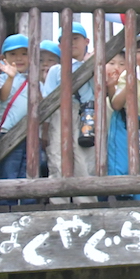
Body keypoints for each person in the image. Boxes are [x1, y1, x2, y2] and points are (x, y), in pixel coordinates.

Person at [42, 22, 96, 203]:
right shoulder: (55, 70)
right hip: (60, 113)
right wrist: (45, 128)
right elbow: (47, 100)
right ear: (60, 46)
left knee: (84, 159)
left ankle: (86, 203)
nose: (71, 43)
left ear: (86, 41)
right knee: (57, 156)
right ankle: (59, 202)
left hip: (87, 113)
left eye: (75, 38)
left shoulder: (93, 64)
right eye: (66, 40)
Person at [109, 32, 140, 192]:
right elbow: (116, 104)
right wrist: (130, 82)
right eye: (139, 51)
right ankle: (123, 195)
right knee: (123, 162)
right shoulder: (128, 74)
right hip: (126, 122)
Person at [0, 34, 31, 188]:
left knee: (27, 172)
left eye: (24, 54)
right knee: (9, 172)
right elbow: (3, 96)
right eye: (13, 54)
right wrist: (10, 78)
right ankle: (6, 200)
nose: (19, 58)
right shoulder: (2, 78)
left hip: (28, 134)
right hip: (8, 133)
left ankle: (28, 200)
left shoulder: (32, 80)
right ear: (3, 58)